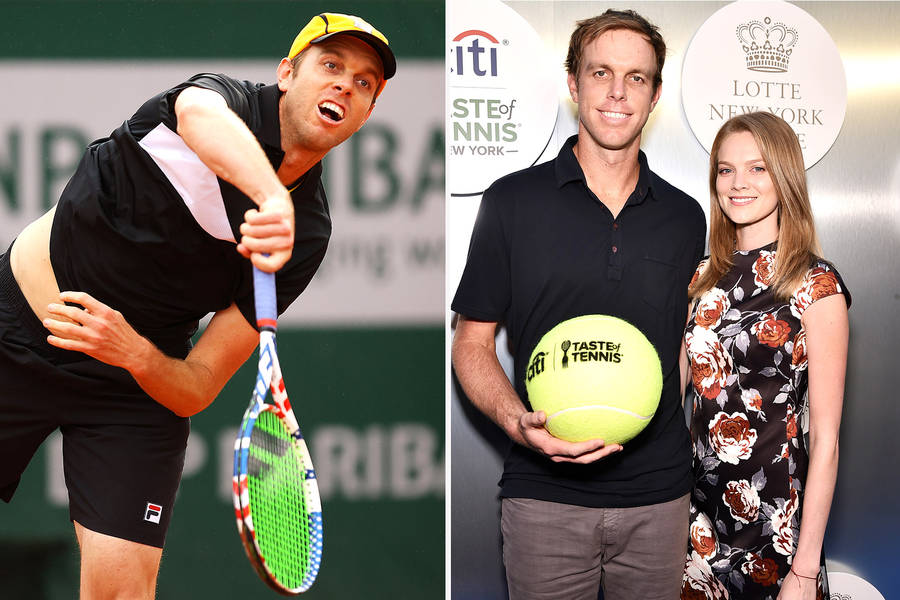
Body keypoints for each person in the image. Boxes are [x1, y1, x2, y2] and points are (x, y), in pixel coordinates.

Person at [0, 12, 395, 600]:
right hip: (16, 336)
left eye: (364, 83)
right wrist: (268, 197)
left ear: (367, 113)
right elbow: (198, 117)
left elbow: (197, 384)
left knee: (120, 592)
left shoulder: (306, 236)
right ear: (287, 73)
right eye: (330, 65)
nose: (344, 84)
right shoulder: (218, 100)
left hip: (128, 391)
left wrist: (132, 352)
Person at [451, 9, 706, 600]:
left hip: (660, 498)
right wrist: (519, 423)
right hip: (543, 498)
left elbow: (688, 349)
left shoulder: (685, 216)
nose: (617, 92)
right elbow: (471, 343)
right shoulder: (511, 201)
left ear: (655, 94)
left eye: (636, 78)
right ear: (574, 83)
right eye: (601, 73)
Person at [681, 112, 849, 600]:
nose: (738, 184)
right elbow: (676, 402)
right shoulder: (700, 278)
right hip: (698, 527)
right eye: (725, 169)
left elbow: (828, 441)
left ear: (785, 176)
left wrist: (804, 566)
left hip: (780, 531)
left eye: (757, 168)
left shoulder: (817, 285)